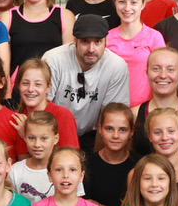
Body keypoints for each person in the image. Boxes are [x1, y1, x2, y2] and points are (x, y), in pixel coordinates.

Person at [43, 14, 131, 150]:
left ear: (106, 42)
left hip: (92, 133)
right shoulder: (53, 60)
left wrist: (97, 161)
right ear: (75, 41)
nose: (91, 49)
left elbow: (109, 118)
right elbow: (43, 108)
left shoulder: (116, 66)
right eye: (85, 41)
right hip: (52, 132)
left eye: (97, 42)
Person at [0, 0, 75, 74]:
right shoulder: (7, 18)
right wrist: (7, 92)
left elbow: (69, 63)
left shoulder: (64, 16)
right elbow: (3, 65)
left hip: (53, 88)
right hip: (19, 89)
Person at [107, 0, 166, 107]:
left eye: (134, 2)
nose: (127, 8)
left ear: (143, 4)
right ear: (115, 3)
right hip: (113, 109)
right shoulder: (106, 38)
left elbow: (162, 75)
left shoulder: (154, 37)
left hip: (145, 109)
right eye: (122, 2)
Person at [131, 47, 178, 156]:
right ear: (147, 73)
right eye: (156, 69)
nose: (163, 75)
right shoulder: (133, 115)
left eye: (170, 69)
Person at [9, 112, 85, 203]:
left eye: (44, 138)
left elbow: (77, 205)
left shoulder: (68, 170)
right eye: (32, 138)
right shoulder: (15, 171)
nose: (37, 144)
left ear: (56, 139)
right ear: (25, 138)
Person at [26, 147, 109, 206]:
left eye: (72, 170)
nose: (65, 175)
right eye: (59, 170)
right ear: (50, 175)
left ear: (81, 176)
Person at [84, 102, 140, 206]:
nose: (115, 135)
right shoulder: (86, 165)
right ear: (100, 129)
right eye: (109, 129)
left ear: (132, 132)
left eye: (122, 130)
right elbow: (85, 205)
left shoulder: (141, 164)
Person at [11, 58, 80, 152]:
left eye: (38, 84)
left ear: (48, 87)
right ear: (18, 85)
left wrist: (26, 135)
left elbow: (71, 160)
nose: (30, 89)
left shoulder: (62, 115)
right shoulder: (15, 119)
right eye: (25, 83)